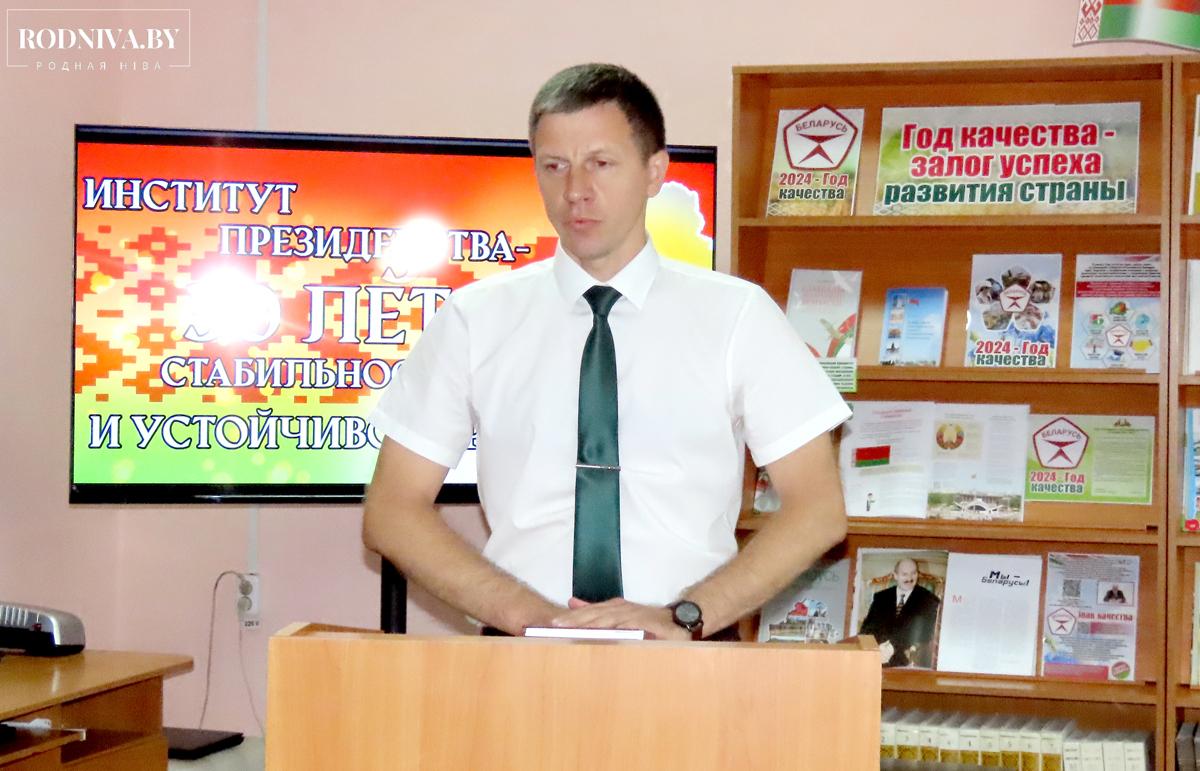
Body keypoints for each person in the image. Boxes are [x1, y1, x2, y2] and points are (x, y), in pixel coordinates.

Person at [362, 63, 850, 641]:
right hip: (520, 650)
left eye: (600, 163)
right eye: (554, 166)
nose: (575, 190)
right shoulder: (474, 318)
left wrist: (686, 615)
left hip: (688, 648)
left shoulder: (738, 315)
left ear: (654, 171)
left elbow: (818, 509)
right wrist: (523, 613)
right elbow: (392, 509)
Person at [858, 558, 941, 667]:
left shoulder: (929, 600)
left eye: (913, 573)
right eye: (904, 574)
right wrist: (875, 648)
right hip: (876, 654)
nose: (909, 578)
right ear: (895, 575)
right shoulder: (881, 597)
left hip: (904, 658)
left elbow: (925, 633)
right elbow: (866, 628)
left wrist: (892, 647)